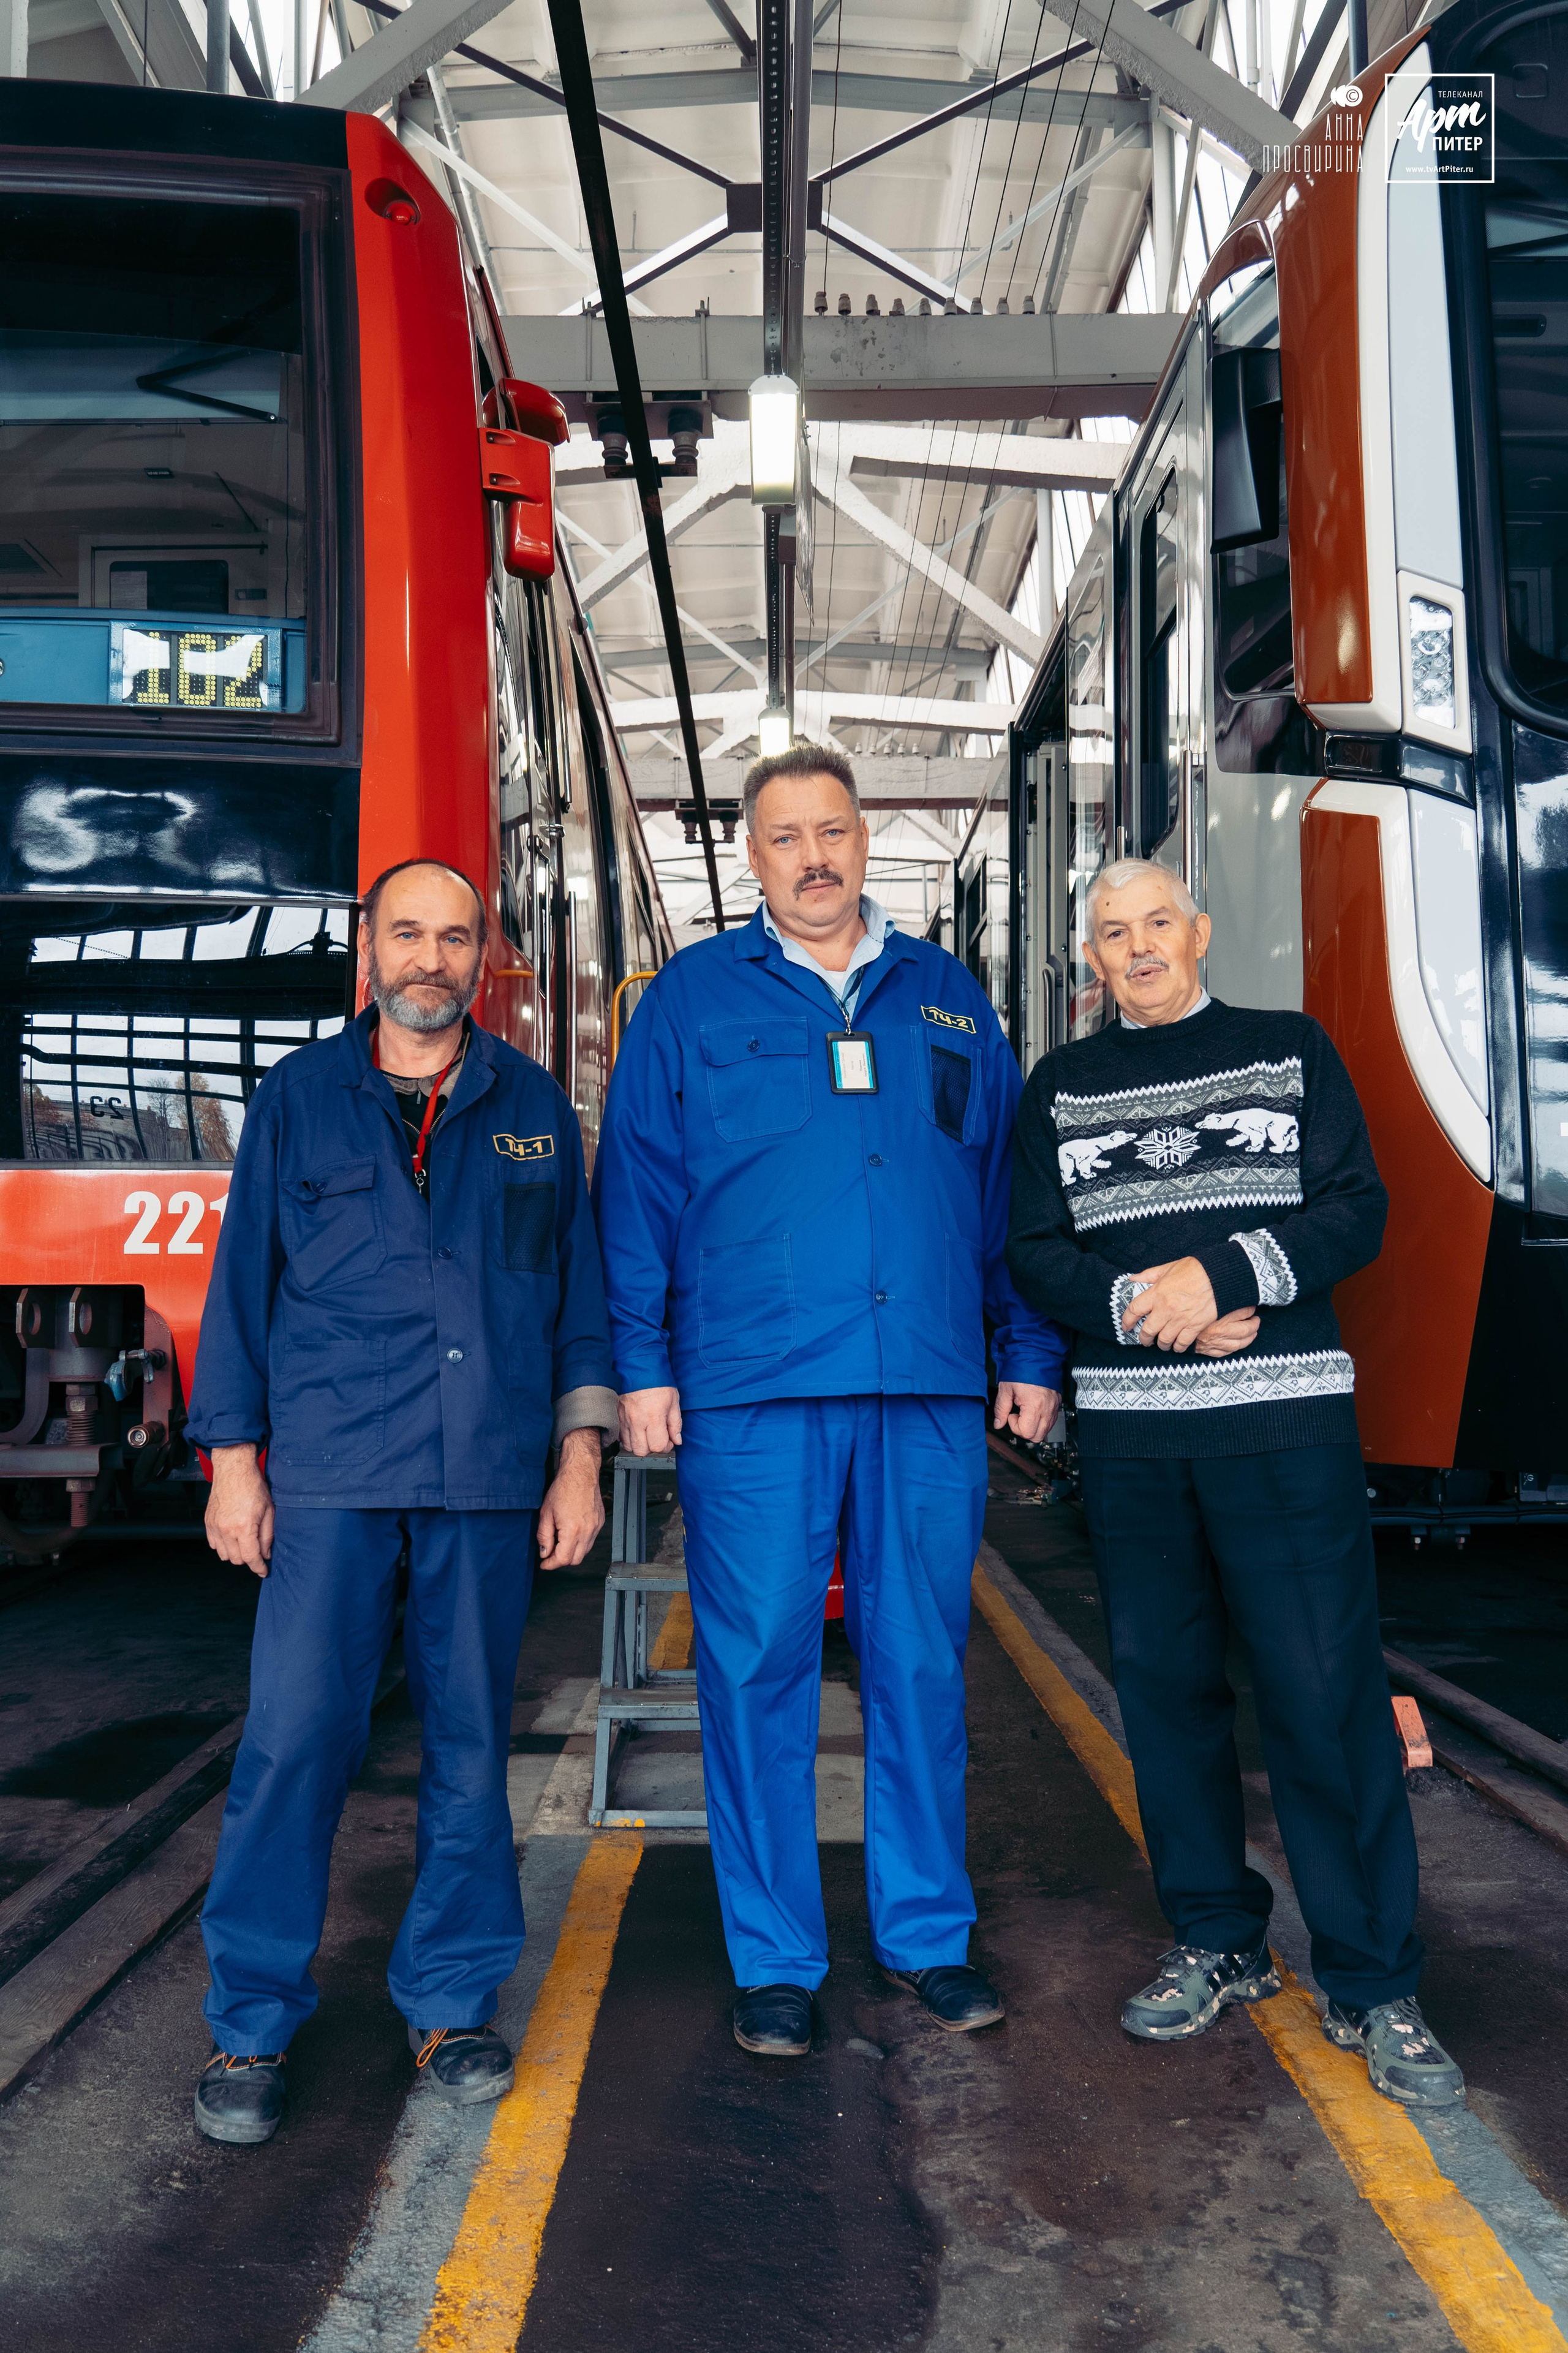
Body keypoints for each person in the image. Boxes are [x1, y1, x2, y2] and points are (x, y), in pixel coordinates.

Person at [593, 744, 1067, 2058]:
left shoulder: (949, 998)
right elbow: (634, 1191)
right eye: (787, 836)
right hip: (751, 1389)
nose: (814, 856)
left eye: (834, 831)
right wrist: (641, 1363)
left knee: (920, 1661)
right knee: (757, 1667)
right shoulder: (689, 999)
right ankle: (775, 1957)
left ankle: (927, 1936)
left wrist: (1028, 1349)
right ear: (752, 856)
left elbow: (1006, 1196)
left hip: (923, 1381)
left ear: (865, 839)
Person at [1005, 856, 1464, 2108]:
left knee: (1324, 1697)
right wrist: (1144, 1310)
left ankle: (1373, 1982)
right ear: (1090, 958)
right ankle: (1217, 1937)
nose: (1139, 945)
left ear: (1198, 931)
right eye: (1113, 932)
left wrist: (1225, 1274)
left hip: (1284, 1430)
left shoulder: (1289, 1050)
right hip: (1137, 1444)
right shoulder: (1059, 1088)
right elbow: (1034, 1251)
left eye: (1158, 921)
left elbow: (1355, 1210)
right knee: (1166, 1698)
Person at [184, 858, 618, 2146]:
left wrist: (580, 1455)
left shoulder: (531, 1105)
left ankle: (450, 2000)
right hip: (329, 1473)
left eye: (455, 938)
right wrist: (235, 1462)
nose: (431, 959)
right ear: (368, 948)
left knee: (472, 1747)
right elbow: (241, 1287)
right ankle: (251, 2020)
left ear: (484, 957)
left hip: (485, 1473)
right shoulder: (298, 1099)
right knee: (292, 1742)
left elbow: (576, 1293)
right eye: (408, 933)